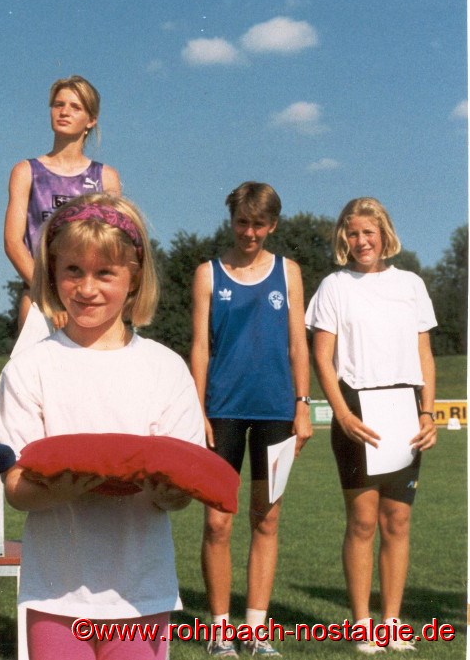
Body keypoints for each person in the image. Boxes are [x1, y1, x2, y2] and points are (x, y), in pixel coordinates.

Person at [0, 193, 205, 660]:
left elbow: (181, 492)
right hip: (55, 594)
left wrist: (166, 486)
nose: (87, 288)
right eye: (73, 270)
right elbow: (16, 488)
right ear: (51, 274)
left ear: (134, 279)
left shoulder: (165, 368)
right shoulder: (29, 368)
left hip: (141, 594)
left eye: (105, 273)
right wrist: (80, 481)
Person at [305, 198, 437, 655]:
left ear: (384, 234)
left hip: (406, 407)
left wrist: (428, 411)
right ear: (344, 238)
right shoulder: (333, 287)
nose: (361, 241)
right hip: (357, 408)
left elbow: (424, 355)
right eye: (352, 233)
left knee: (397, 520)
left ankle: (393, 623)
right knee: (363, 521)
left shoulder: (412, 285)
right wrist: (341, 413)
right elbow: (322, 357)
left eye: (368, 232)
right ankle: (364, 626)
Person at [189, 182, 311, 658]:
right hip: (222, 412)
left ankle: (256, 631)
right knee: (218, 522)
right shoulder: (207, 274)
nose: (250, 232)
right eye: (242, 222)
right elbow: (200, 346)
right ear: (231, 220)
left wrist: (302, 404)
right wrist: (196, 408)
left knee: (267, 517)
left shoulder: (289, 272)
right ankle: (221, 631)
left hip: (277, 412)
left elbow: (298, 343)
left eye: (259, 224)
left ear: (272, 225)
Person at [3, 75, 121, 352]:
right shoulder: (26, 171)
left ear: (91, 119)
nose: (64, 111)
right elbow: (12, 242)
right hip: (40, 297)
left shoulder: (106, 178)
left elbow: (112, 246)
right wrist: (50, 294)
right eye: (58, 104)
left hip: (89, 299)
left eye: (75, 107)